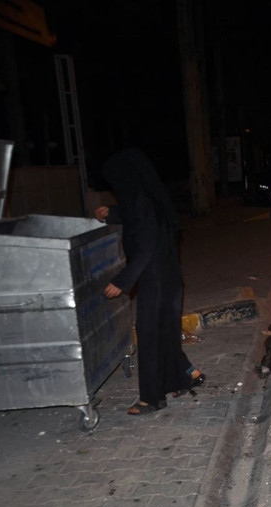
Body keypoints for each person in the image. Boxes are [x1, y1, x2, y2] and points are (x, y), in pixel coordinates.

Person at [94, 148, 205, 415]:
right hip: (167, 277)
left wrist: (123, 281)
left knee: (150, 337)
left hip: (154, 279)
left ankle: (152, 399)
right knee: (164, 335)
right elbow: (137, 217)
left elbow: (145, 246)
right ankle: (185, 376)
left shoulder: (141, 200)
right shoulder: (148, 198)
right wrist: (112, 213)